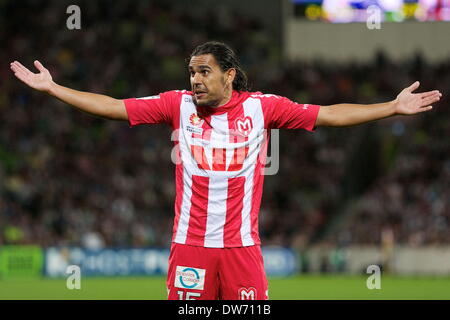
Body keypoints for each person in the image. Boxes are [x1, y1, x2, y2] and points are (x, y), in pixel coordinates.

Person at [10, 41, 442, 300]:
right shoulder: (175, 104)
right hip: (190, 247)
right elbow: (113, 106)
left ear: (229, 75)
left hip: (241, 250)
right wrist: (54, 88)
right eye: (191, 72)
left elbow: (329, 114)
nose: (195, 80)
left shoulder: (263, 107)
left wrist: (391, 107)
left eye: (204, 71)